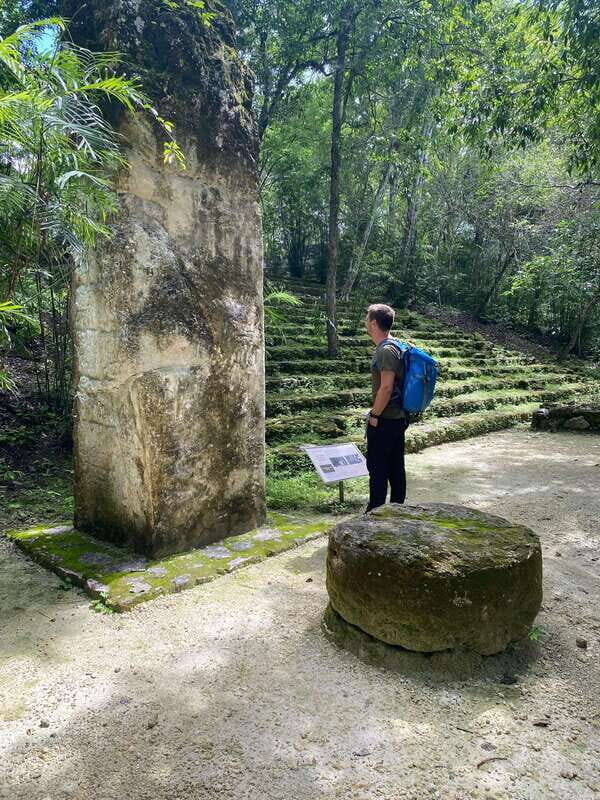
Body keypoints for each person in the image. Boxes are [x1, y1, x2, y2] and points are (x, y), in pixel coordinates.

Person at [365, 303, 408, 511]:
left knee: (379, 468)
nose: (366, 323)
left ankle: (375, 512)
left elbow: (386, 388)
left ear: (373, 323)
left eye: (367, 319)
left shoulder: (386, 350)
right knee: (395, 467)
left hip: (386, 419)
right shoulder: (396, 345)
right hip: (397, 417)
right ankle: (397, 510)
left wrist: (374, 415)